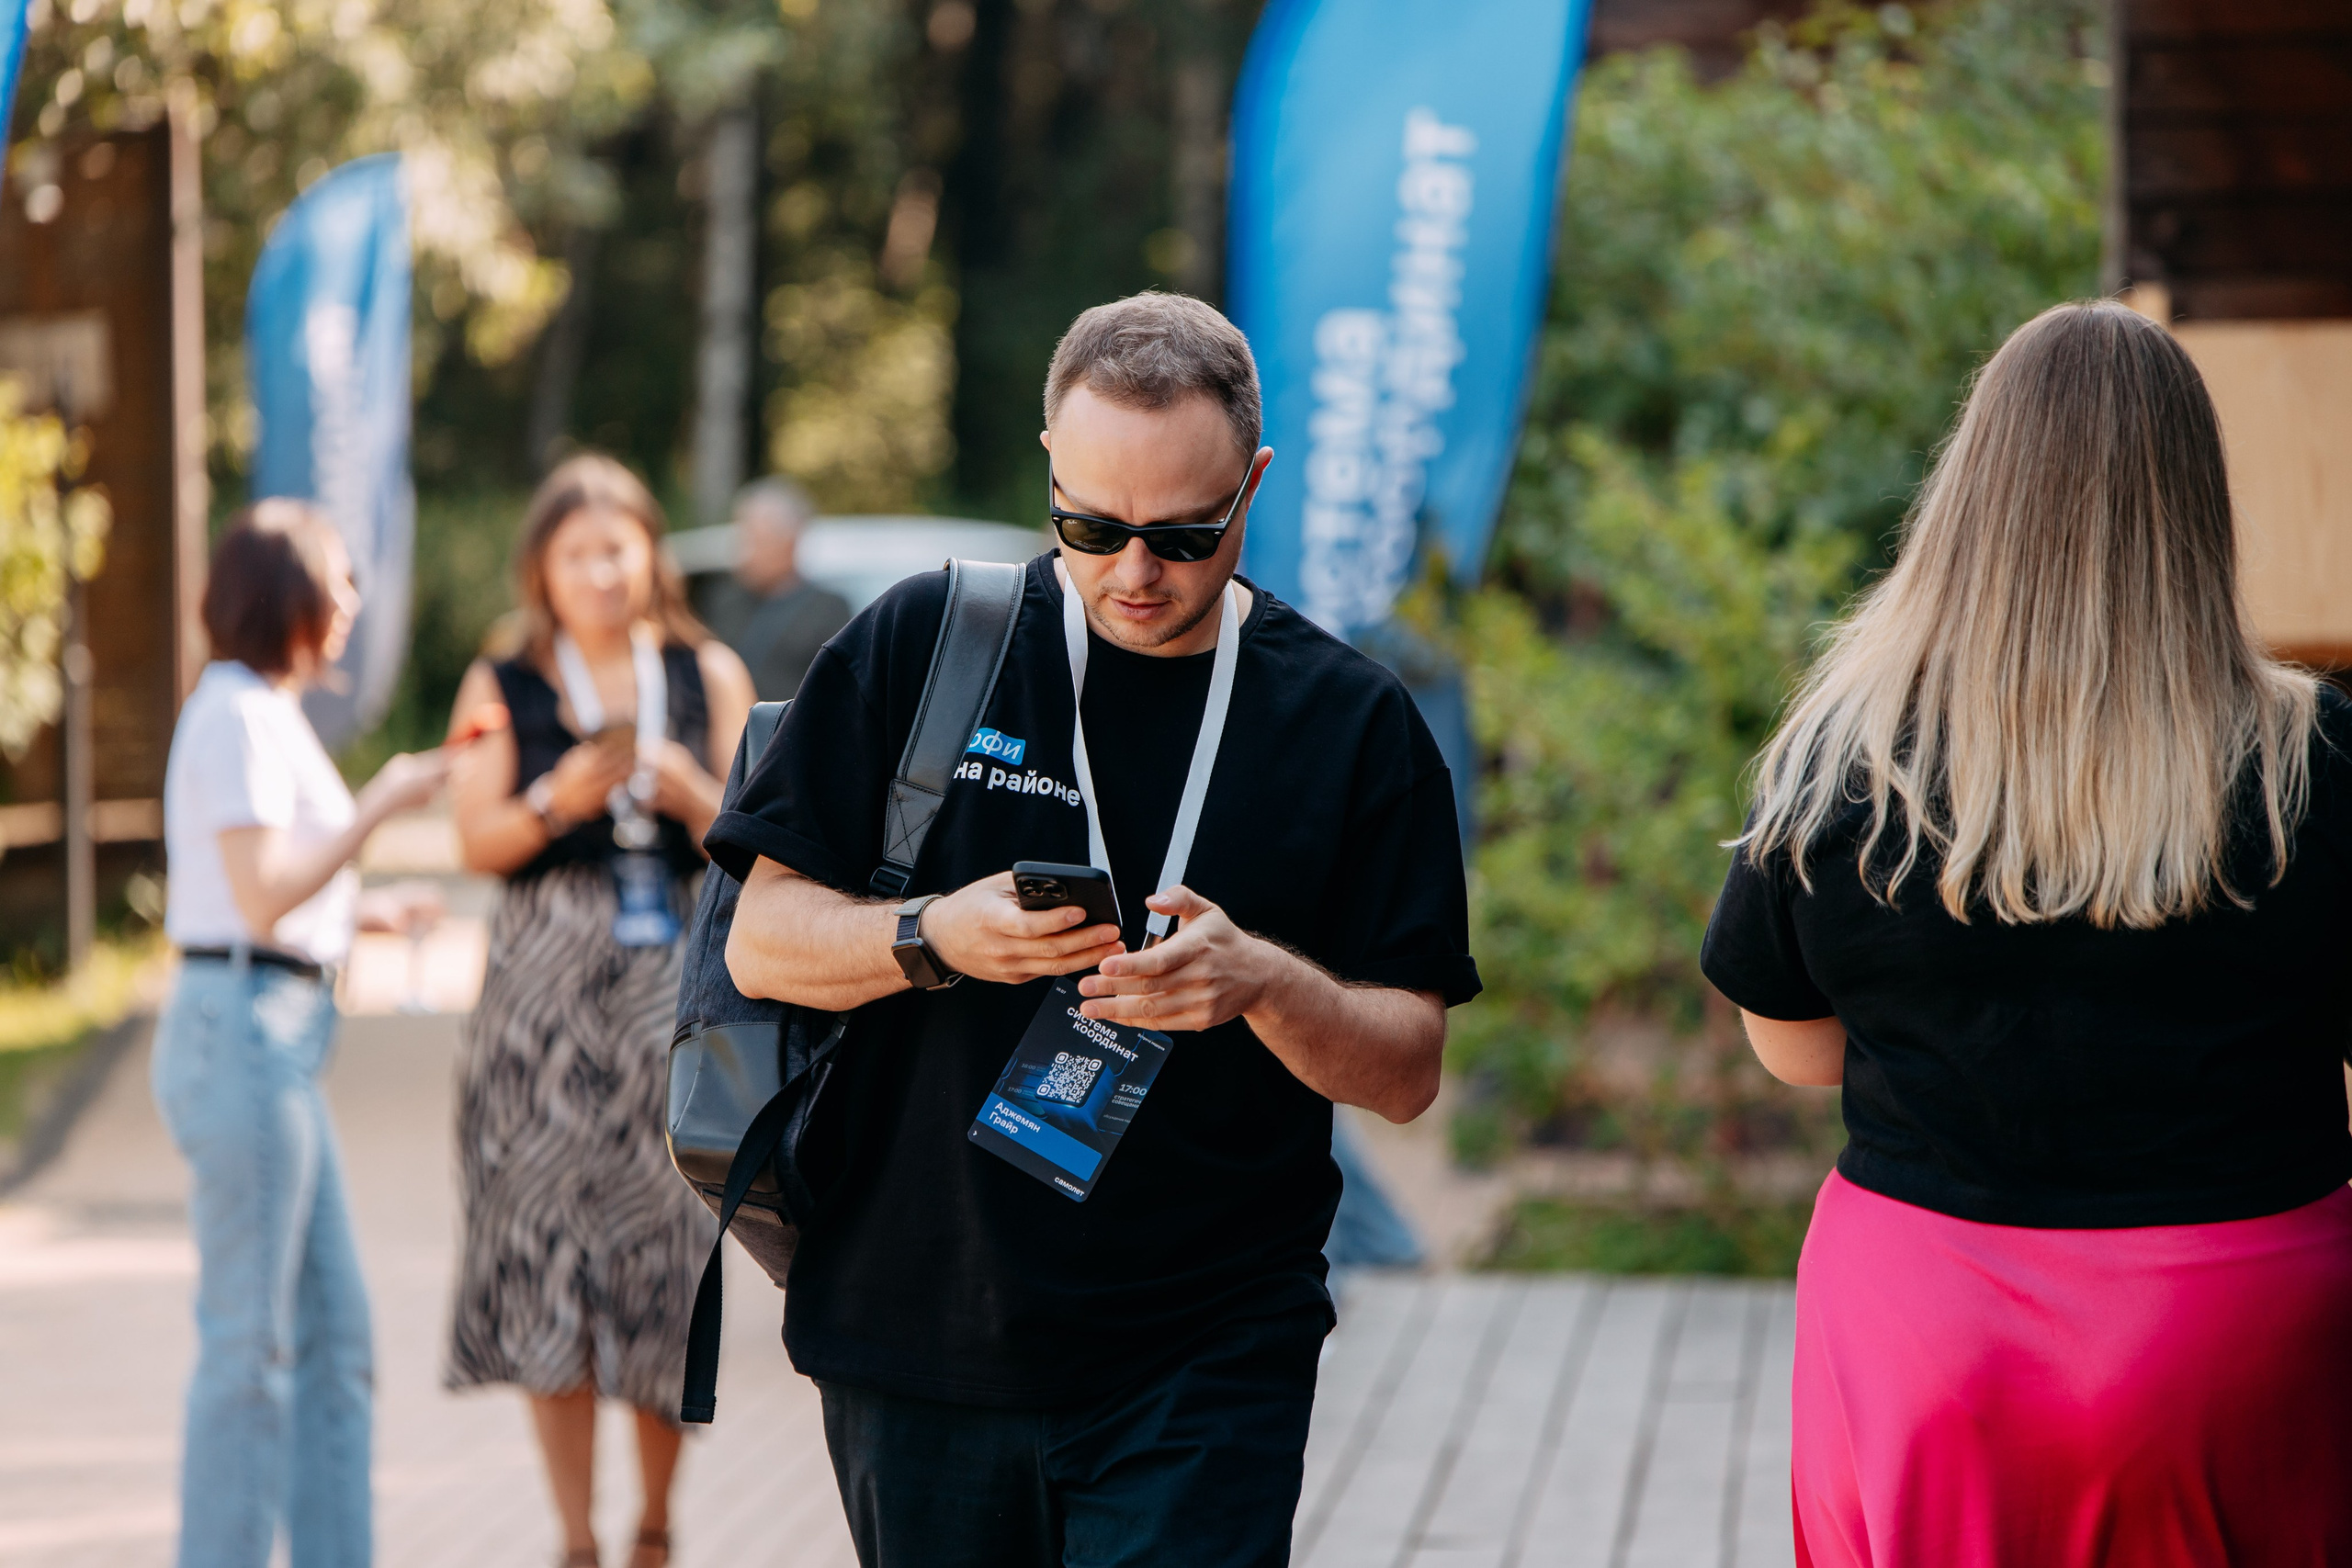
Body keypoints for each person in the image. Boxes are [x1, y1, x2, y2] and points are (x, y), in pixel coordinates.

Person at [709, 292, 1481, 1567]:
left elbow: (1405, 1070)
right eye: (1091, 526)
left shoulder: (1352, 724)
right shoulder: (923, 642)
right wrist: (933, 935)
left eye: (1182, 534)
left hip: (1206, 1349)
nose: (1133, 572)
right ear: (1050, 468)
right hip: (918, 1330)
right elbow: (762, 940)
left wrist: (1265, 984)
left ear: (1253, 483)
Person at [1700, 299, 2352, 1565]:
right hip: (2238, 1332)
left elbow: (1792, 1047)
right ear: (2195, 505)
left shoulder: (1846, 753)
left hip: (1928, 1332)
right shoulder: (2313, 762)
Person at [441, 455, 755, 1568]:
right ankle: (574, 1540)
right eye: (577, 554)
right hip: (538, 1013)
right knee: (547, 1267)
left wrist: (689, 792)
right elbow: (473, 842)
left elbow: (761, 837)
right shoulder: (501, 679)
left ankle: (655, 1529)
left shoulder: (705, 670)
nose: (600, 573)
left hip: (672, 999)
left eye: (617, 550)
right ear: (543, 568)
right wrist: (551, 798)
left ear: (650, 556)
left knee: (665, 1262)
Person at [153, 500, 450, 1568]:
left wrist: (368, 911)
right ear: (288, 596)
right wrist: (383, 803)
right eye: (339, 580)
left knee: (335, 1343)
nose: (353, 602)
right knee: (252, 1348)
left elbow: (259, 893)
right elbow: (262, 894)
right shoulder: (235, 711)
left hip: (272, 1033)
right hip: (241, 1037)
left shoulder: (263, 713)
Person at [695, 476, 851, 701]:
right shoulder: (723, 601)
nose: (745, 553)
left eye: (756, 540)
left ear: (790, 542)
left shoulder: (829, 609)